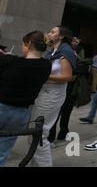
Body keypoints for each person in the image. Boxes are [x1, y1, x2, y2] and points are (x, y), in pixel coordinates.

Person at [0, 31, 52, 166]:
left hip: (2, 107)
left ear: (28, 44)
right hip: (22, 114)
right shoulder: (46, 66)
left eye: (23, 44)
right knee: (3, 150)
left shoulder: (10, 61)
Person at [29, 26, 76, 167]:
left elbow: (68, 76)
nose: (49, 33)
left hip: (53, 94)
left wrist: (44, 75)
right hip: (46, 92)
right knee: (35, 133)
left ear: (61, 36)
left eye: (53, 32)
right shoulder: (54, 50)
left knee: (39, 133)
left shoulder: (66, 51)